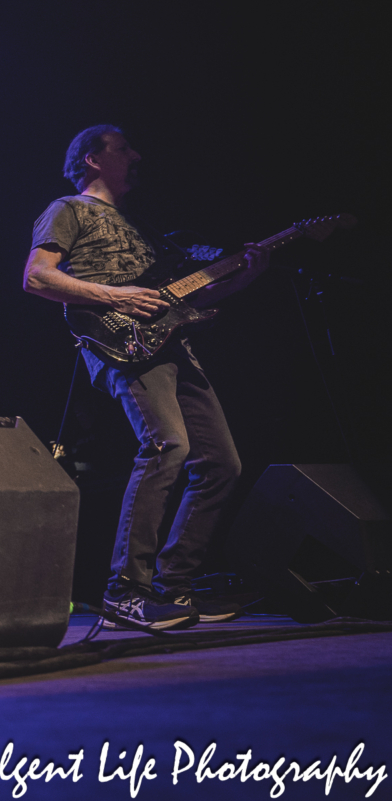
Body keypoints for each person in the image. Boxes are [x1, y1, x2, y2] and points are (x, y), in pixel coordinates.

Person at [23, 125, 268, 630]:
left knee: (222, 463)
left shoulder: (139, 227)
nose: (137, 156)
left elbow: (183, 300)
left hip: (172, 344)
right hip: (122, 343)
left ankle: (172, 586)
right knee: (167, 446)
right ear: (93, 159)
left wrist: (244, 275)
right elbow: (37, 276)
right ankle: (124, 592)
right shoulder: (68, 209)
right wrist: (117, 296)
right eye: (123, 149)